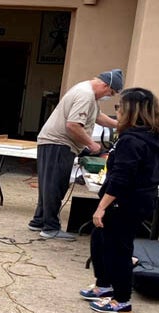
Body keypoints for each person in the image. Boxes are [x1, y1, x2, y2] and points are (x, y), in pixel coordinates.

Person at [80, 87, 159, 313]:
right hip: (142, 198)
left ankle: (122, 300)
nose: (117, 111)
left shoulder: (131, 141)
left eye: (119, 107)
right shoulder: (155, 136)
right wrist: (151, 180)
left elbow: (121, 179)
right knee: (100, 239)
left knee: (118, 249)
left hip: (124, 201)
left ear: (131, 110)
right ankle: (104, 285)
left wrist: (101, 207)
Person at [29, 69, 123, 241]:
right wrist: (91, 144)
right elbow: (73, 125)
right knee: (55, 185)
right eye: (110, 93)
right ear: (105, 85)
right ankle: (50, 227)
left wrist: (119, 125)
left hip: (54, 143)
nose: (109, 96)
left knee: (49, 184)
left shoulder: (88, 94)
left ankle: (39, 220)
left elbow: (97, 116)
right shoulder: (85, 95)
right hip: (59, 144)